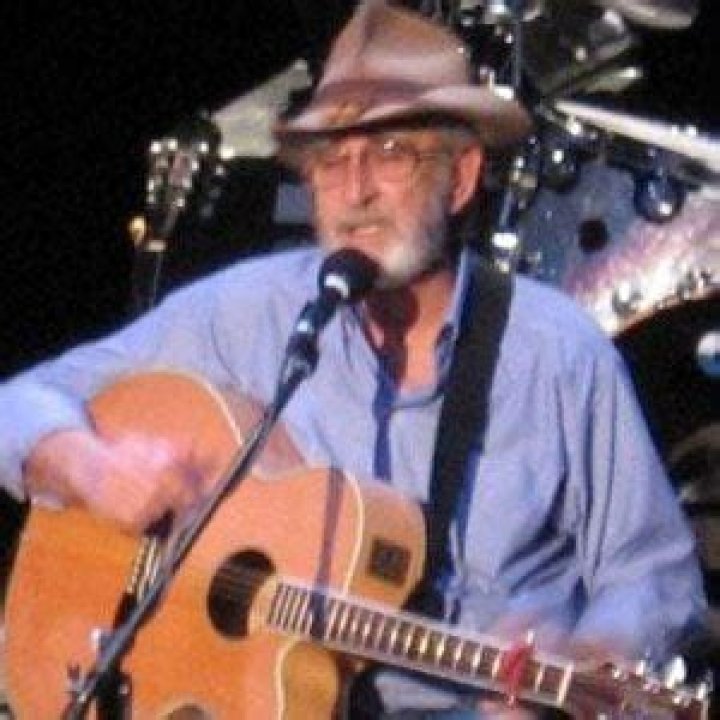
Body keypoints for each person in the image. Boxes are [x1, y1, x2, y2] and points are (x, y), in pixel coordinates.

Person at [0, 0, 707, 717]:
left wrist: (585, 659)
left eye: (392, 153)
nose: (357, 189)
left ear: (462, 177)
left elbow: (653, 575)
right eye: (331, 162)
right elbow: (16, 406)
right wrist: (89, 468)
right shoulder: (249, 312)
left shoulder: (557, 352)